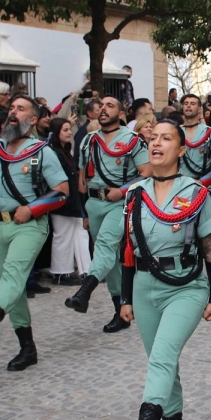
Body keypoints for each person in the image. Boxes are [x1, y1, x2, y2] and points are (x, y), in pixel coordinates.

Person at [113, 119, 211, 420]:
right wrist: (125, 299)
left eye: (166, 138)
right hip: (144, 287)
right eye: (153, 138)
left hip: (186, 286)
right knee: (164, 363)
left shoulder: (195, 193)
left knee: (162, 355)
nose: (156, 143)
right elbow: (127, 249)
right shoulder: (134, 193)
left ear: (182, 148)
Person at [0, 95, 69, 370]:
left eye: (20, 109)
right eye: (11, 108)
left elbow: (62, 193)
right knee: (14, 285)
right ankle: (27, 348)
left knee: (11, 276)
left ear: (33, 120)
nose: (12, 112)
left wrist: (33, 209)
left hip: (29, 226)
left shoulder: (42, 151)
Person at [65, 97, 151, 333]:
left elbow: (146, 173)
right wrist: (84, 211)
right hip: (94, 202)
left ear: (122, 113)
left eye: (110, 106)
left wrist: (122, 190)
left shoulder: (132, 141)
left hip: (120, 204)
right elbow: (82, 182)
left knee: (104, 245)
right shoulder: (88, 141)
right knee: (111, 260)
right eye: (101, 105)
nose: (103, 109)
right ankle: (121, 310)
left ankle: (85, 291)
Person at [47, 117, 91, 285]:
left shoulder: (64, 152)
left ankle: (84, 269)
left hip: (71, 201)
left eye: (68, 129)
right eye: (65, 130)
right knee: (62, 237)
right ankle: (60, 272)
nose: (68, 133)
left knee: (76, 234)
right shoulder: (54, 153)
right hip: (62, 202)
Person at [179, 94, 211, 186]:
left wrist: (201, 182)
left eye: (192, 103)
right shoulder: (175, 133)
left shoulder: (210, 133)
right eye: (186, 103)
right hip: (181, 185)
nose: (188, 106)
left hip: (204, 186)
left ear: (199, 109)